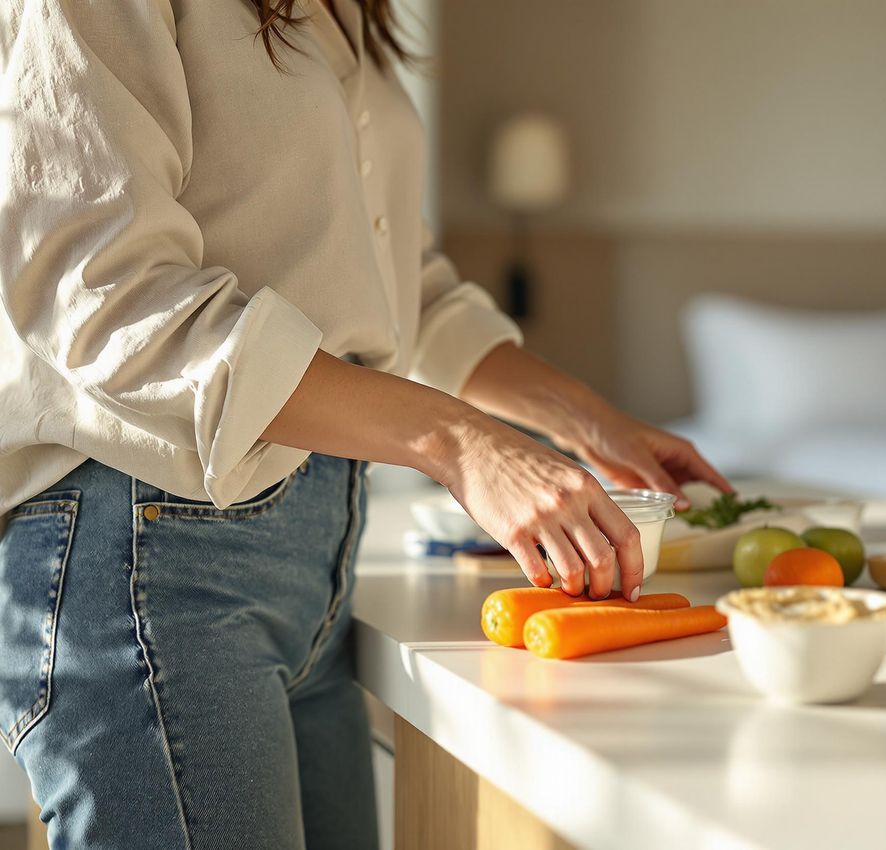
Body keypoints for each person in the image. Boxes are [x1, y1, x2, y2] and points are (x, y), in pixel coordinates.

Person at [0, 2, 730, 848]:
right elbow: (105, 295)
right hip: (150, 555)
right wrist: (461, 443)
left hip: (316, 558)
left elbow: (398, 285)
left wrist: (594, 427)